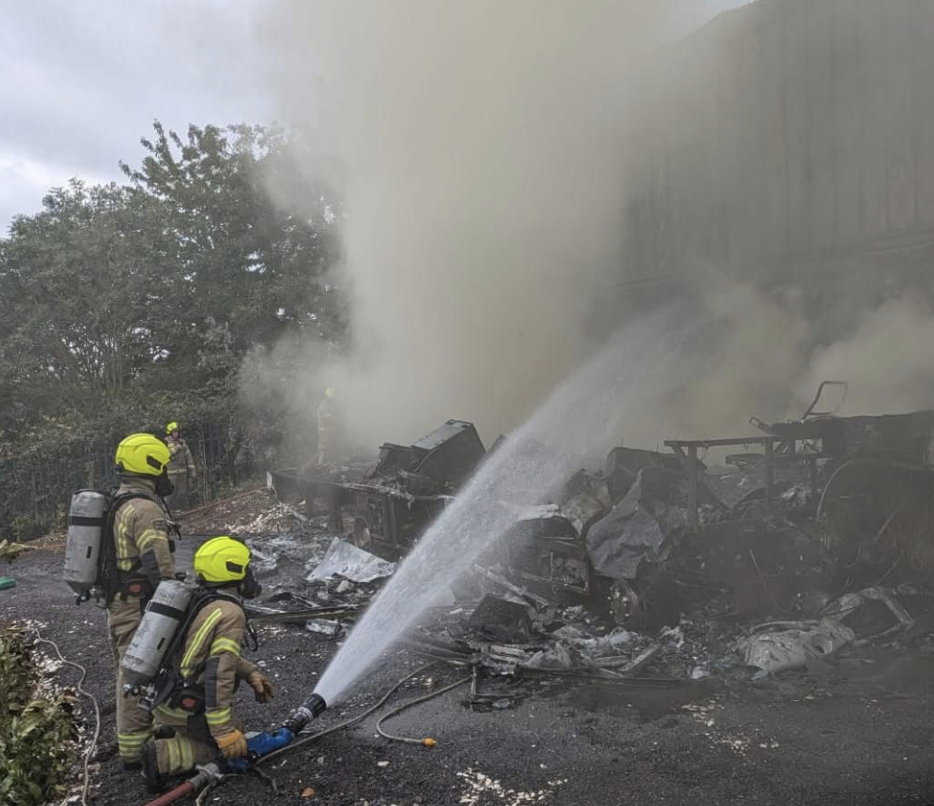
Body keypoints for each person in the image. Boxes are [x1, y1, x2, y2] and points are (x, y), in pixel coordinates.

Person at [141, 536, 273, 792]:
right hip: (180, 703)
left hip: (162, 693)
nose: (250, 575)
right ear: (232, 570)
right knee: (238, 745)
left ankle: (172, 730)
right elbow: (218, 672)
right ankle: (160, 756)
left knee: (234, 735)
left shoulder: (200, 599)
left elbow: (205, 654)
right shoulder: (230, 612)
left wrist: (250, 672)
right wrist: (223, 732)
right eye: (246, 568)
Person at [109, 433, 179, 768]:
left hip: (121, 603)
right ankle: (135, 752)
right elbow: (158, 565)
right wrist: (177, 600)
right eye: (164, 467)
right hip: (138, 607)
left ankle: (145, 733)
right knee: (137, 672)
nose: (167, 474)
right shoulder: (145, 509)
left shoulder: (120, 500)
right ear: (150, 466)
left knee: (133, 669)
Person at [165, 421, 197, 510]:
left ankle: (179, 510)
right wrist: (176, 449)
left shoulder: (182, 443)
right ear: (170, 433)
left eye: (178, 432)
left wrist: (192, 470)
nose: (177, 434)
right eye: (175, 432)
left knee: (182, 493)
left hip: (183, 472)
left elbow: (188, 457)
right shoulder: (165, 442)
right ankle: (168, 511)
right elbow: (166, 455)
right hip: (171, 473)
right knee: (171, 493)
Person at [316, 387, 338, 466]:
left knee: (329, 447)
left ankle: (328, 463)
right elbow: (325, 417)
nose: (331, 399)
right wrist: (332, 415)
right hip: (323, 430)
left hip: (329, 430)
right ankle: (320, 464)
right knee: (322, 447)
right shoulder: (323, 406)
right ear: (326, 396)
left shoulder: (329, 405)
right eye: (330, 397)